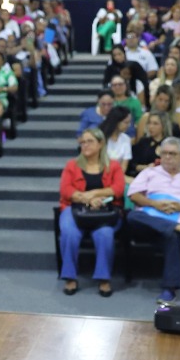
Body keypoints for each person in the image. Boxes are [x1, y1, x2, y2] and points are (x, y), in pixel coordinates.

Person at [127, 137, 180, 301]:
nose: (167, 157)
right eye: (164, 153)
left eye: (172, 154)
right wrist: (155, 204)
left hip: (179, 214)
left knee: (172, 237)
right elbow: (134, 195)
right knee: (132, 215)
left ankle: (169, 289)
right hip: (150, 219)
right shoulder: (150, 172)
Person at [57, 127, 126, 298]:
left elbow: (118, 189)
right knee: (69, 233)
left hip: (106, 210)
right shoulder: (72, 165)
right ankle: (70, 276)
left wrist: (95, 194)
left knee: (105, 234)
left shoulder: (114, 165)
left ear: (101, 144)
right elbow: (65, 190)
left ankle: (103, 278)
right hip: (75, 207)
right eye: (82, 142)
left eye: (89, 141)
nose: (85, 145)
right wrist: (86, 199)